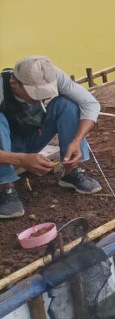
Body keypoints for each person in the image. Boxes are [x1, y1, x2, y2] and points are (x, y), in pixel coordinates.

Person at [0, 57, 102, 219]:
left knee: (68, 104)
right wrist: (20, 159)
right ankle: (5, 187)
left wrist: (76, 140)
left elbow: (90, 104)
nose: (40, 99)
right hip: (5, 148)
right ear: (15, 84)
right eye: (35, 94)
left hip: (32, 136)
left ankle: (71, 170)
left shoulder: (51, 75)